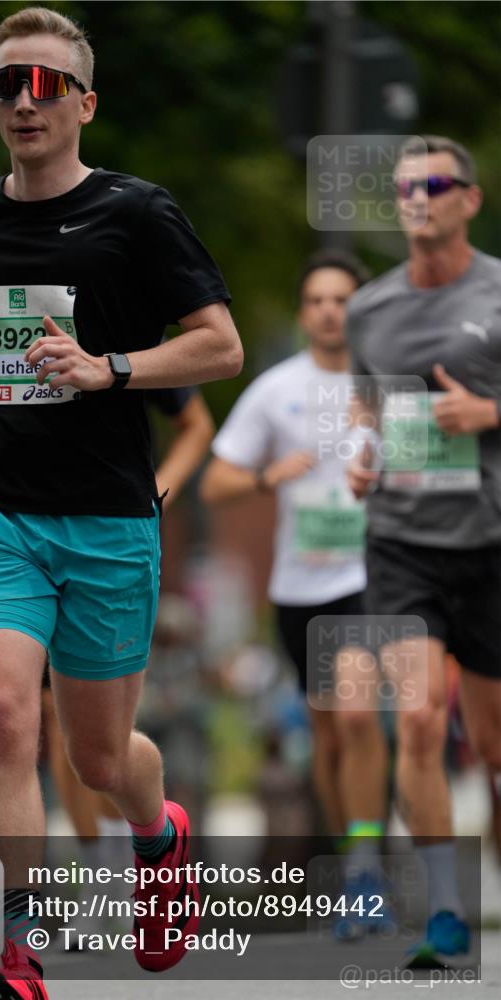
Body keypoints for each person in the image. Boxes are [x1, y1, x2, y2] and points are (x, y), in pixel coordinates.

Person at [0, 7, 242, 997]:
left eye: (45, 83)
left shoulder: (137, 214)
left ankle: (158, 836)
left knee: (97, 759)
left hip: (105, 516)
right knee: (3, 716)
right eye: (6, 82)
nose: (23, 100)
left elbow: (219, 346)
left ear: (84, 104)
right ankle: (16, 954)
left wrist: (108, 368)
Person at [200, 249, 393, 936]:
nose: (329, 312)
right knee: (328, 735)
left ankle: (366, 869)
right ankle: (356, 865)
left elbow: (443, 469)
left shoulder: (389, 385)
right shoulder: (275, 388)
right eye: (316, 300)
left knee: (357, 716)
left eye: (342, 300)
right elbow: (215, 483)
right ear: (302, 312)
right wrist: (267, 476)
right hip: (298, 589)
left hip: (370, 577)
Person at [346, 135, 500, 963]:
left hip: (491, 540)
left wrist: (488, 414)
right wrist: (361, 453)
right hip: (402, 543)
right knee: (415, 718)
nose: (415, 197)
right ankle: (444, 908)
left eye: (433, 184)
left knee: (494, 745)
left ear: (468, 199)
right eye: (404, 187)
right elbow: (366, 405)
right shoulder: (369, 308)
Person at [39, 386, 215, 943]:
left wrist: (159, 491)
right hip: (27, 539)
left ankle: (134, 857)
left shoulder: (128, 340)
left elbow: (197, 424)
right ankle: (100, 875)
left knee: (97, 740)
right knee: (50, 726)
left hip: (107, 542)